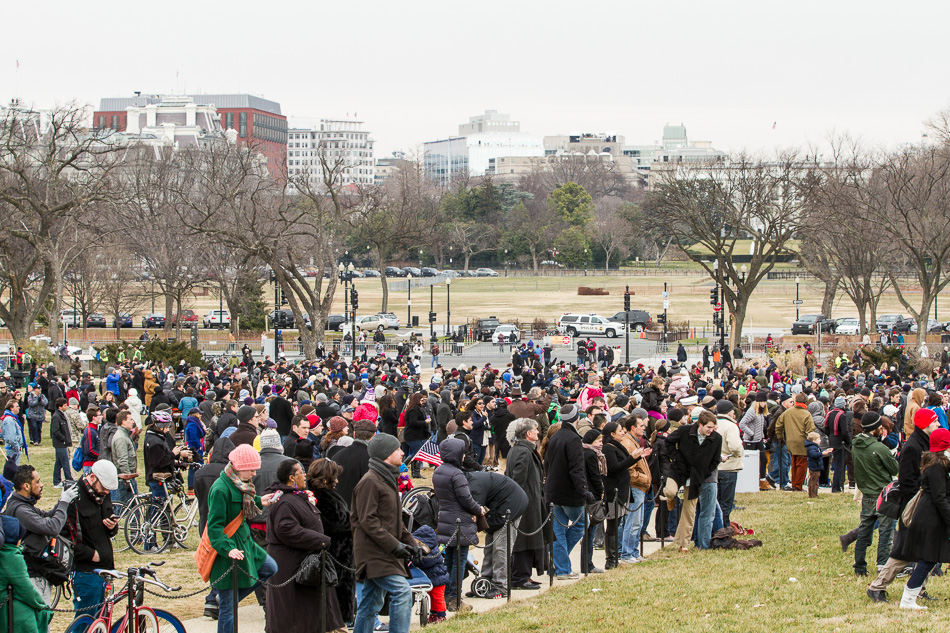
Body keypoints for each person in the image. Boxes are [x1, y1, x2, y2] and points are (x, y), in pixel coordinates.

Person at [867, 408, 941, 602]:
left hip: (921, 505)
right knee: (904, 551)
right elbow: (907, 481)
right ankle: (877, 586)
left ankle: (918, 589)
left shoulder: (924, 443)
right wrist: (919, 501)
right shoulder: (913, 447)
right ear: (925, 424)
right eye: (935, 422)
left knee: (925, 550)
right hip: (914, 507)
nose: (938, 424)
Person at [265, 459, 345, 633]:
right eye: (301, 472)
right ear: (292, 477)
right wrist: (321, 539)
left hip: (300, 562)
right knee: (292, 614)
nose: (305, 475)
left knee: (308, 614)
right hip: (290, 564)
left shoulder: (295, 497)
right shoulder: (286, 501)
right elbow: (286, 529)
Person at [350, 434, 419, 633]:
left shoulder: (387, 478)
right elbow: (368, 521)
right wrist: (395, 546)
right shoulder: (370, 481)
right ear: (386, 455)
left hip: (385, 552)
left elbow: (395, 521)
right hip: (374, 553)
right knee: (402, 591)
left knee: (370, 604)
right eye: (398, 449)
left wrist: (412, 544)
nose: (402, 452)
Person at [207, 444, 278, 633]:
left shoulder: (240, 484)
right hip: (228, 553)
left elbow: (242, 504)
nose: (254, 473)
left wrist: (260, 500)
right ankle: (226, 600)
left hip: (246, 544)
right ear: (238, 467)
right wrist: (227, 548)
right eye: (252, 469)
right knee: (228, 612)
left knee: (270, 567)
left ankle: (227, 599)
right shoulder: (220, 489)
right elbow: (214, 527)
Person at [2, 464, 79, 605]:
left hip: (35, 574)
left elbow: (48, 516)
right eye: (37, 481)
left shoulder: (21, 503)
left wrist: (63, 501)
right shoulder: (20, 510)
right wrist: (63, 502)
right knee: (42, 624)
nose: (41, 485)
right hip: (33, 577)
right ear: (26, 486)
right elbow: (52, 528)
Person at [895, 427, 950, 609]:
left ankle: (909, 597)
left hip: (933, 517)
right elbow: (940, 497)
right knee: (928, 559)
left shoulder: (939, 463)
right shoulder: (937, 467)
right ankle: (908, 598)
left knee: (930, 559)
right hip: (931, 519)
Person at [543, 404, 594, 578]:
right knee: (581, 524)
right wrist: (584, 491)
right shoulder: (573, 439)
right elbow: (576, 469)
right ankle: (561, 563)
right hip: (570, 493)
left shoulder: (556, 436)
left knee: (558, 532)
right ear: (576, 419)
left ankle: (560, 567)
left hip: (554, 491)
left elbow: (547, 465)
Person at [433, 437, 485, 607]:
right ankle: (455, 598)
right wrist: (479, 510)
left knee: (448, 560)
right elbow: (466, 499)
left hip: (445, 518)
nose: (464, 456)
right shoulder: (457, 474)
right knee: (459, 560)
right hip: (459, 522)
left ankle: (446, 595)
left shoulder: (439, 471)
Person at [663, 409, 723, 552]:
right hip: (679, 471)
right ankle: (670, 498)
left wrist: (704, 472)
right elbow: (669, 442)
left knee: (689, 512)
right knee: (670, 491)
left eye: (713, 427)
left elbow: (716, 460)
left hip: (696, 476)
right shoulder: (684, 431)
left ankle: (683, 544)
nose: (711, 430)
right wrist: (676, 458)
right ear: (700, 424)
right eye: (709, 427)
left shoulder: (717, 438)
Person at [65, 460, 119, 618]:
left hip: (107, 570)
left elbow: (109, 526)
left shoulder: (103, 495)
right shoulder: (73, 499)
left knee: (103, 620)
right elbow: (68, 539)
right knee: (86, 621)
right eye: (104, 488)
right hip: (86, 573)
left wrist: (112, 527)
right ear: (92, 477)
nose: (107, 492)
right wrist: (93, 555)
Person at [464, 466, 529, 597]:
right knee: (489, 545)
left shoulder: (474, 486)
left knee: (501, 547)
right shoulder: (469, 481)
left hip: (512, 505)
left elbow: (475, 513)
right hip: (498, 506)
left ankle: (501, 586)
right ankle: (486, 580)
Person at [307, 459, 356, 627]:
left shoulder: (318, 494)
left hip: (337, 556)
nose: (337, 480)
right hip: (335, 556)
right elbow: (335, 524)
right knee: (333, 610)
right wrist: (353, 522)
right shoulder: (323, 497)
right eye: (335, 477)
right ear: (327, 478)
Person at [851, 412, 898, 577]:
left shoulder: (856, 444)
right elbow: (894, 469)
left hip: (867, 493)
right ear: (875, 428)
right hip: (883, 494)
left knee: (865, 530)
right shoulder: (879, 448)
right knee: (886, 532)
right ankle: (882, 566)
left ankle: (859, 566)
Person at [505, 418, 547, 590]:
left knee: (530, 540)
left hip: (531, 502)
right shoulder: (523, 451)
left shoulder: (523, 449)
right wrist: (519, 503)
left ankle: (525, 575)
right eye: (536, 430)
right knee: (524, 541)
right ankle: (519, 577)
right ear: (528, 434)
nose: (538, 432)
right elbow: (517, 481)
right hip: (526, 505)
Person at [0, 515, 53, 633]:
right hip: (9, 610)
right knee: (27, 614)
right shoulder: (11, 555)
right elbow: (25, 588)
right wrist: (42, 605)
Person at [774, 393, 815, 491]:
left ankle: (794, 484)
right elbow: (810, 431)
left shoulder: (788, 412)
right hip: (802, 442)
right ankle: (798, 486)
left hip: (790, 441)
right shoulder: (806, 414)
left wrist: (781, 437)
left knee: (794, 463)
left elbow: (778, 425)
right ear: (805, 402)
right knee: (802, 464)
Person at [330, 418, 375, 506]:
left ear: (354, 434)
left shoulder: (338, 455)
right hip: (360, 508)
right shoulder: (371, 458)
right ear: (373, 435)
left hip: (340, 506)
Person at [714, 400, 744, 525]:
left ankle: (715, 527)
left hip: (714, 467)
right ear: (730, 411)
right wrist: (738, 453)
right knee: (726, 503)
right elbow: (735, 446)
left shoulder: (712, 423)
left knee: (716, 502)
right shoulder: (731, 426)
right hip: (729, 466)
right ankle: (724, 527)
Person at [110, 410, 139, 507]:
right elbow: (122, 460)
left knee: (134, 506)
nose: (133, 421)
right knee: (122, 506)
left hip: (128, 475)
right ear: (123, 421)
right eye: (130, 419)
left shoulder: (125, 435)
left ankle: (134, 522)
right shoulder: (121, 437)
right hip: (125, 477)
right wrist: (128, 478)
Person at [49, 397, 74, 488]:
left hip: (62, 443)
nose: (66, 406)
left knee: (58, 463)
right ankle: (69, 480)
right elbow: (55, 430)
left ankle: (56, 481)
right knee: (65, 462)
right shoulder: (56, 416)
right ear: (59, 407)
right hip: (60, 444)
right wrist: (63, 438)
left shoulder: (61, 415)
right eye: (64, 405)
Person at [2, 398, 26, 465]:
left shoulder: (13, 418)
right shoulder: (9, 420)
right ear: (11, 408)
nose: (19, 407)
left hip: (13, 448)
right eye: (17, 406)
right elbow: (11, 436)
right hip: (12, 449)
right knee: (13, 469)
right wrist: (16, 446)